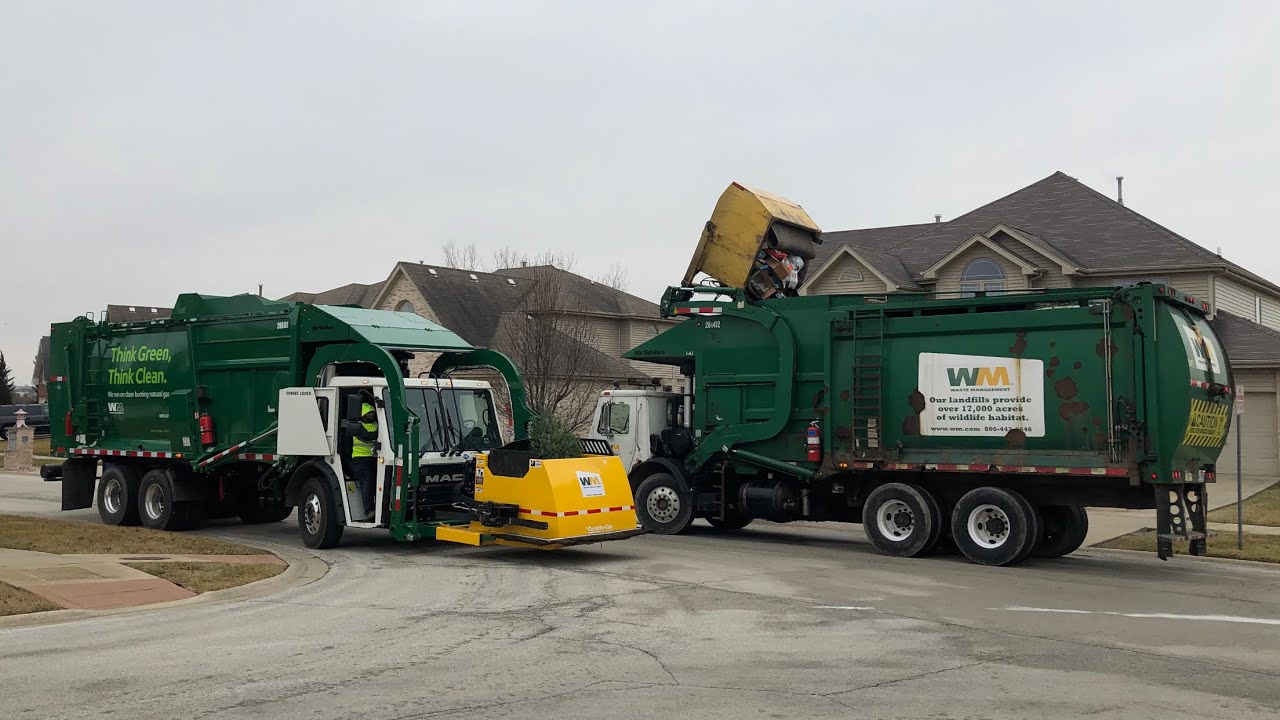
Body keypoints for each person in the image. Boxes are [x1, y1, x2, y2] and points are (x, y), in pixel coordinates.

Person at [350, 401, 379, 521]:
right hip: (360, 458)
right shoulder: (357, 426)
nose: (371, 415)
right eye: (369, 413)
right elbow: (367, 436)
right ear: (363, 414)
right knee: (367, 483)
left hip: (374, 457)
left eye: (372, 413)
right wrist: (380, 432)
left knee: (377, 484)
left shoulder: (377, 424)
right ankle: (369, 510)